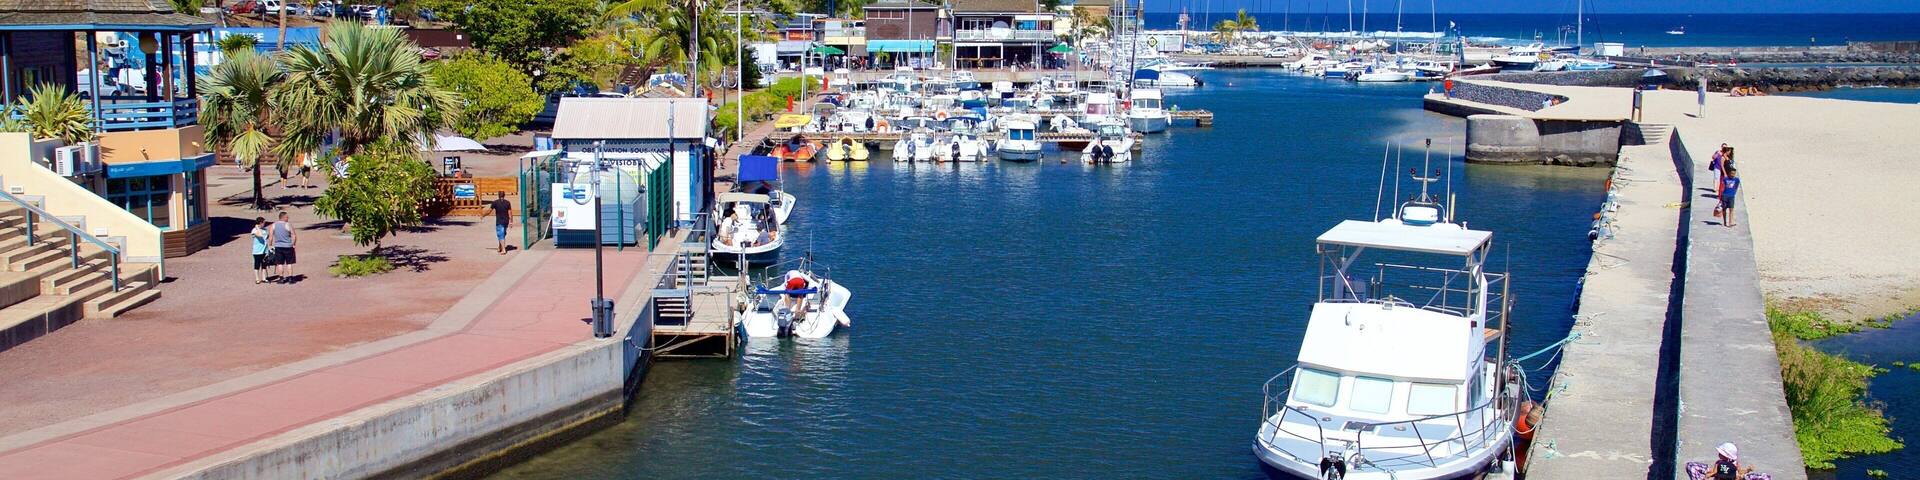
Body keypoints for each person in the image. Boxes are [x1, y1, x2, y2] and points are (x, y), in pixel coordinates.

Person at [1684, 443, 1761, 480]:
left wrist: (1707, 476)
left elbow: (1714, 472)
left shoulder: (1719, 463)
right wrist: (1747, 471)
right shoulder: (1734, 463)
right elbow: (1740, 472)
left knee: (1690, 466)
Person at [270, 211, 297, 283]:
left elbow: (271, 236)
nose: (288, 218)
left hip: (278, 246)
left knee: (280, 263)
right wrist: (293, 244)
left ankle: (281, 278)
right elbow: (294, 235)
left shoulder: (273, 225)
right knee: (289, 263)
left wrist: (270, 245)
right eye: (287, 217)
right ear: (283, 217)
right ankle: (290, 278)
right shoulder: (288, 225)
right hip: (288, 246)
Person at [250, 217, 271, 284]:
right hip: (257, 251)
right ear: (260, 223)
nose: (264, 224)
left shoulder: (265, 229)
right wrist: (257, 228)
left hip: (264, 250)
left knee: (264, 265)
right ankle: (257, 278)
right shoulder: (254, 230)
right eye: (263, 223)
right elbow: (260, 235)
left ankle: (264, 278)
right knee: (257, 265)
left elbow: (267, 237)